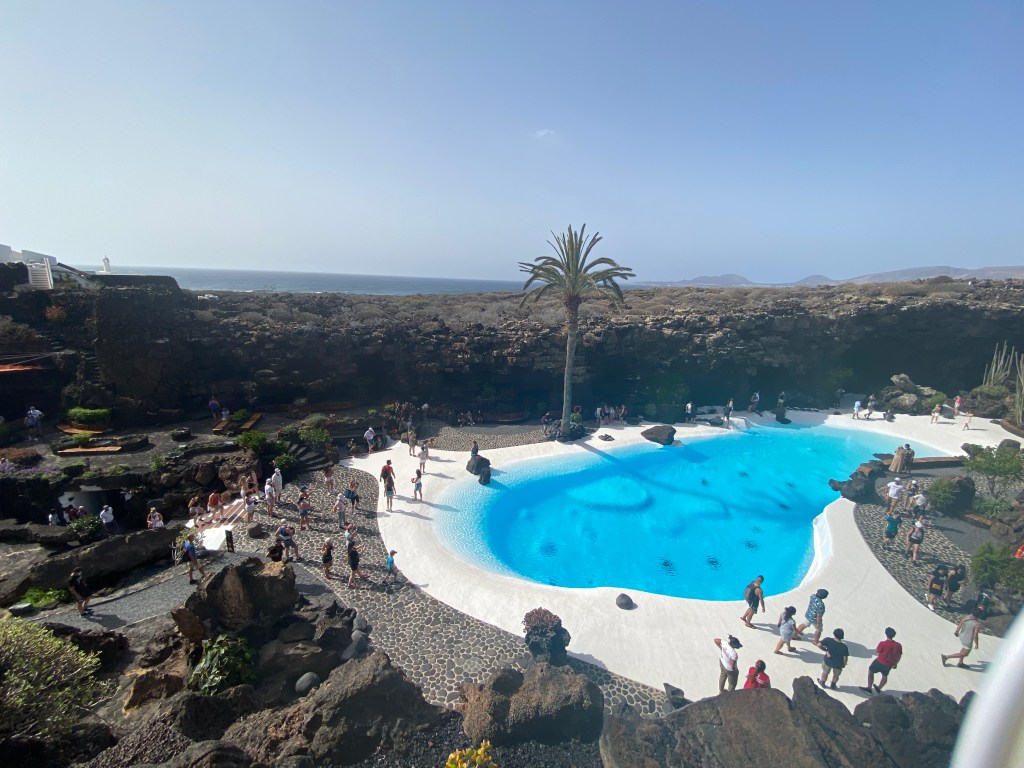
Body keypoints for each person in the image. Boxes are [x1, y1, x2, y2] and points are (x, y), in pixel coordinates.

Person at [861, 627, 902, 694]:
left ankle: (869, 688)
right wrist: (896, 663)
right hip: (889, 664)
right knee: (885, 676)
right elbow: (899, 655)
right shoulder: (898, 645)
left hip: (879, 661)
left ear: (886, 634)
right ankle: (879, 688)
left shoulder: (883, 643)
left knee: (871, 671)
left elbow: (877, 651)